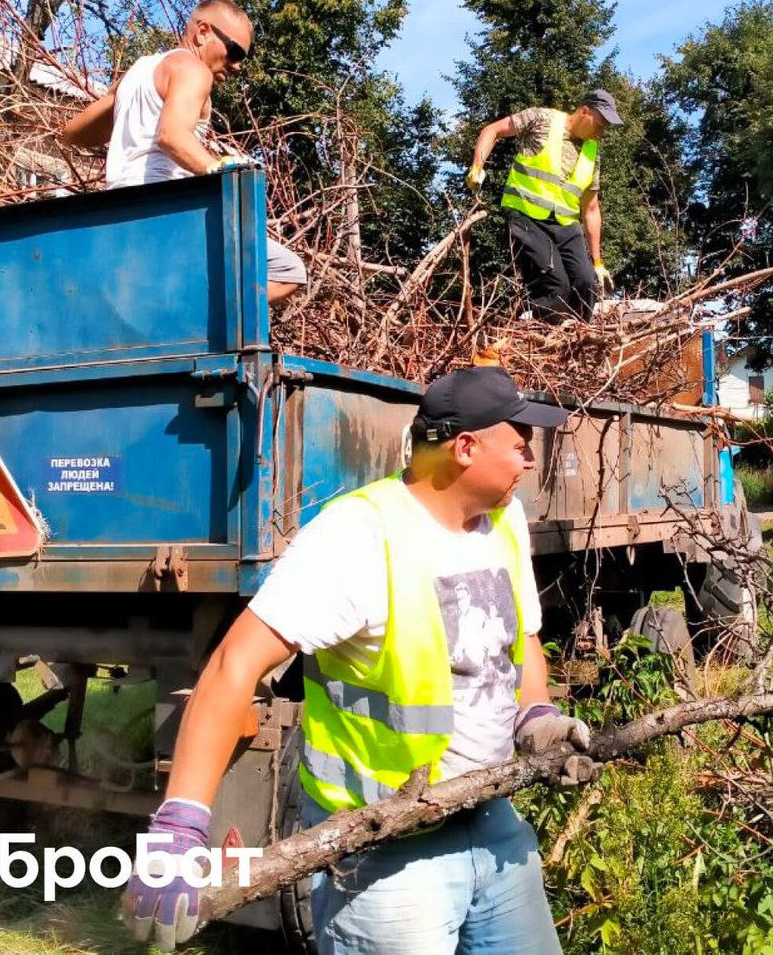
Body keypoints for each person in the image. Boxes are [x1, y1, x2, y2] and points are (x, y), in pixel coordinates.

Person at [124, 366, 595, 952]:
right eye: (520, 445)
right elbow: (233, 667)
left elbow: (519, 637)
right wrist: (180, 824)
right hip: (385, 852)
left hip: (494, 823)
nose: (530, 460)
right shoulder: (358, 539)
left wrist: (535, 717)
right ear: (465, 448)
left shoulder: (504, 520)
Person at [58, 0, 308, 305]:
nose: (238, 64)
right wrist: (224, 171)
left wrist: (124, 108)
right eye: (235, 51)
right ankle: (200, 311)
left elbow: (71, 134)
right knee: (289, 270)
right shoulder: (193, 69)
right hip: (167, 213)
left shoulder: (139, 71)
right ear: (203, 31)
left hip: (118, 212)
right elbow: (172, 135)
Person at [467, 89, 622, 322]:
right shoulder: (542, 119)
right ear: (585, 111)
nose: (602, 133)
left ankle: (578, 342)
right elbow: (492, 131)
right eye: (600, 125)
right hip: (526, 215)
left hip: (565, 225)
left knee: (587, 283)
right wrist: (477, 166)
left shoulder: (592, 153)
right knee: (556, 286)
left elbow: (590, 209)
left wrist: (598, 262)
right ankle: (537, 330)